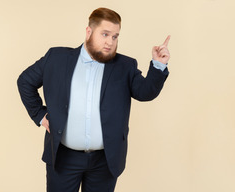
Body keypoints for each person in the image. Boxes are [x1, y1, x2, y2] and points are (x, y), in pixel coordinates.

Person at [17, 7, 170, 192]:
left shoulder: (125, 66)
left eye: (115, 37)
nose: (110, 42)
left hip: (104, 162)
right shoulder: (57, 58)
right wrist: (40, 115)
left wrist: (158, 65)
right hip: (63, 158)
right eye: (105, 34)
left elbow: (145, 93)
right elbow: (25, 81)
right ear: (89, 31)